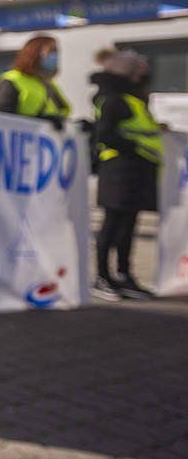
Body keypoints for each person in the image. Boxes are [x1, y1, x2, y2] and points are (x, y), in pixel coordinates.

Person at [91, 49, 160, 301]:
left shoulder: (133, 100)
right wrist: (136, 149)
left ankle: (123, 274)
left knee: (128, 225)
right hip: (119, 170)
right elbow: (105, 134)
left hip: (135, 170)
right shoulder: (114, 100)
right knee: (112, 225)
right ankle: (102, 276)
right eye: (140, 72)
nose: (145, 76)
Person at [0, 35, 71, 128]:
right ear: (34, 54)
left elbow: (62, 111)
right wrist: (40, 120)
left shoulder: (48, 84)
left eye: (56, 51)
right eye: (51, 51)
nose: (55, 56)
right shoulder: (12, 80)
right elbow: (1, 117)